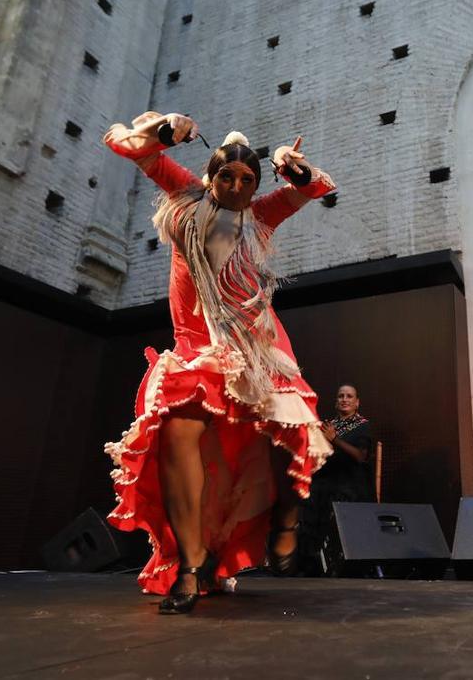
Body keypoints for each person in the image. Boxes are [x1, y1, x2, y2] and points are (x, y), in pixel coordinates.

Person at [101, 111, 336, 613]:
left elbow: (313, 187)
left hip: (257, 346)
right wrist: (167, 129)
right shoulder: (186, 199)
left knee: (293, 430)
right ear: (210, 177)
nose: (234, 186)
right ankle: (190, 564)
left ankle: (286, 523)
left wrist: (290, 166)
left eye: (247, 180)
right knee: (178, 433)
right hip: (197, 348)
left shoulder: (262, 215)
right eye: (226, 176)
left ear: (255, 186)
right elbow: (131, 147)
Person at [298, 384, 377, 575]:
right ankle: (310, 564)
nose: (344, 399)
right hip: (326, 482)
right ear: (336, 401)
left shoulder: (362, 425)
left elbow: (360, 456)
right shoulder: (328, 425)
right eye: (341, 396)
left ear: (357, 402)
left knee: (334, 496)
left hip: (352, 485)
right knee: (307, 496)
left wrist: (335, 440)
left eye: (349, 396)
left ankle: (341, 564)